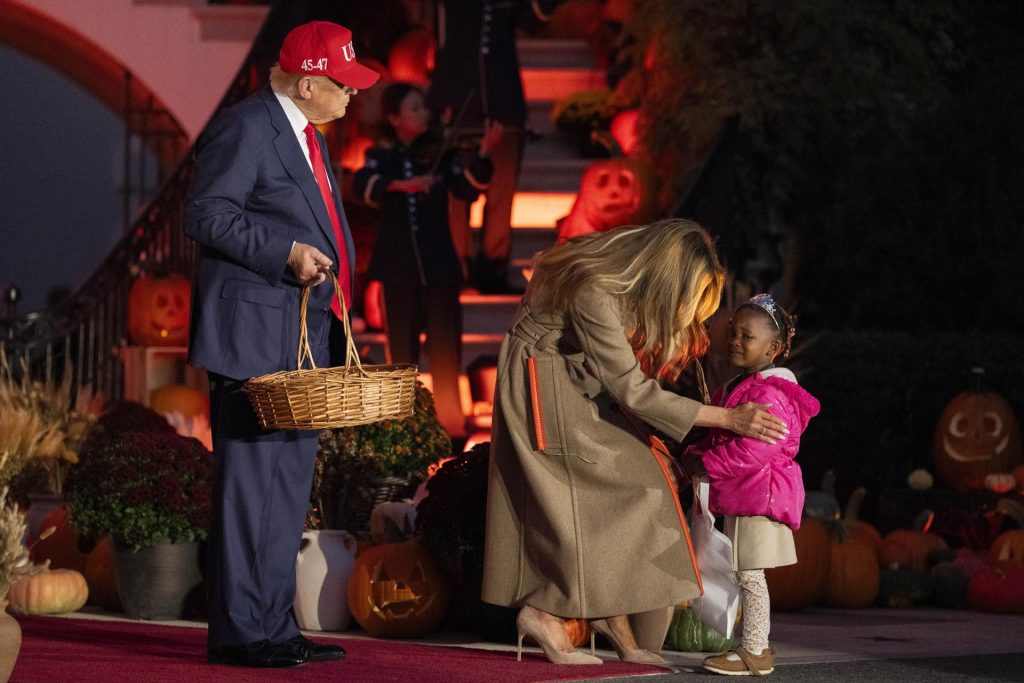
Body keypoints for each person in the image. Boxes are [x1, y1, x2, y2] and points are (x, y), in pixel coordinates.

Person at [481, 220, 790, 665]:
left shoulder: (611, 284)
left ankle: (609, 612)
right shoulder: (595, 291)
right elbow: (632, 390)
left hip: (571, 380)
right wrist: (728, 418)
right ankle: (543, 612)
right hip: (542, 386)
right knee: (593, 489)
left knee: (647, 473)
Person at [184, 21, 380, 668]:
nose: (352, 95)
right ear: (306, 81)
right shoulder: (248, 127)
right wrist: (284, 252)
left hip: (299, 341)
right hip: (251, 339)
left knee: (286, 492)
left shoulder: (308, 137)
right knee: (249, 490)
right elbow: (206, 212)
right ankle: (242, 633)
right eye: (343, 84)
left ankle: (274, 626)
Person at [353, 82, 503, 439]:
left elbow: (467, 189)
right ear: (394, 118)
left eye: (424, 107)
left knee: (446, 353)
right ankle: (402, 428)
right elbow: (363, 183)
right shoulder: (382, 156)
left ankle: (451, 428)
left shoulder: (444, 155)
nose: (424, 114)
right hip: (397, 269)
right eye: (415, 108)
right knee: (400, 355)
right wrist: (399, 187)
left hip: (440, 268)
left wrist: (482, 154)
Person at [684, 294, 820, 676]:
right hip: (745, 493)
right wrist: (697, 450)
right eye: (732, 333)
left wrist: (705, 463)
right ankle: (751, 645)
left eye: (747, 336)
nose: (735, 341)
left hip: (760, 494)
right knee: (745, 571)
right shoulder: (742, 385)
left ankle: (755, 649)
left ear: (774, 348)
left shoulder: (772, 394)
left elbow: (752, 451)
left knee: (750, 573)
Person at [427, 0, 565, 293]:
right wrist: (441, 99)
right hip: (460, 99)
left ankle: (493, 268)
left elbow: (532, 21)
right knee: (458, 192)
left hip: (504, 100)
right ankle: (457, 269)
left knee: (502, 189)